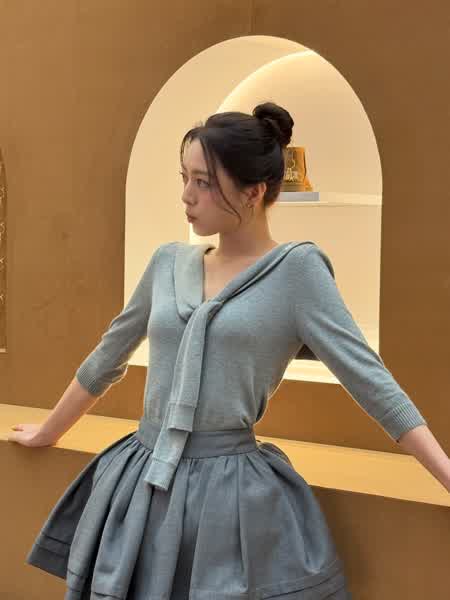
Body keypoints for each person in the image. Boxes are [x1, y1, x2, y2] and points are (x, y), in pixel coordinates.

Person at [9, 101, 441, 599]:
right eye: (185, 178)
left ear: (254, 192)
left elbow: (370, 381)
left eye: (204, 182)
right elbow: (109, 356)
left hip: (227, 493)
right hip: (141, 478)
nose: (186, 196)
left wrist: (444, 472)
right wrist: (49, 430)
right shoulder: (167, 263)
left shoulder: (297, 272)